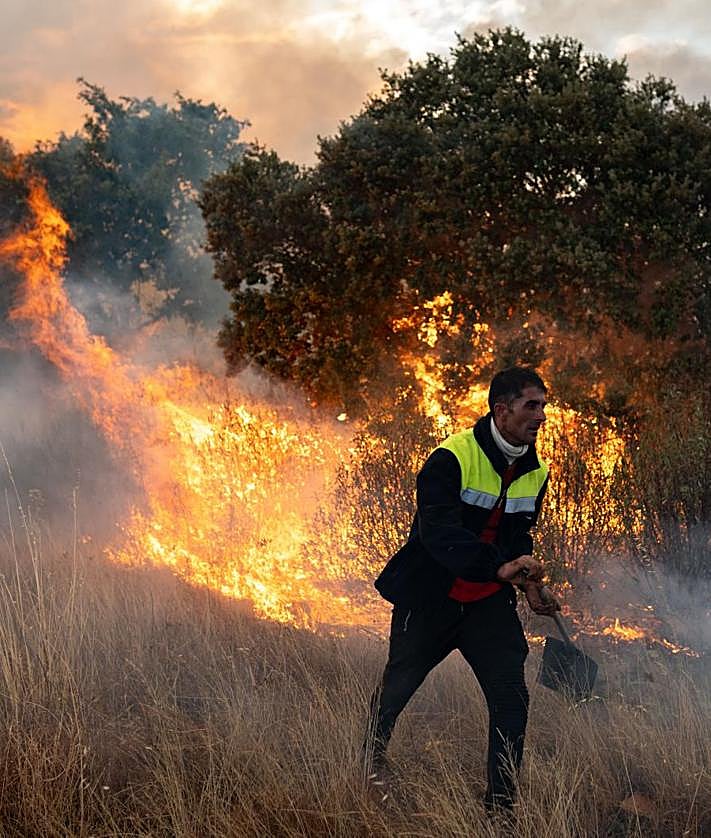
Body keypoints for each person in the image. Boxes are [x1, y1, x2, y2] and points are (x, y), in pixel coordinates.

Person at [365, 366, 559, 810]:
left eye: (544, 406)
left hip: (487, 604)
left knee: (511, 699)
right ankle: (368, 763)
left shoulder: (536, 471)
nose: (541, 416)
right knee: (396, 690)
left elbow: (518, 538)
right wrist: (501, 567)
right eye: (532, 405)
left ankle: (500, 806)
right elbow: (439, 536)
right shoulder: (450, 458)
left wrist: (528, 584)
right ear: (502, 409)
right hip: (432, 595)